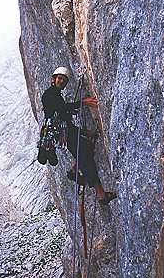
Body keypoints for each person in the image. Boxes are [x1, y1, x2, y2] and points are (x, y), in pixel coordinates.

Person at [38, 66, 117, 205]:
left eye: (64, 80)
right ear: (54, 79)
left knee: (84, 147)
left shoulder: (54, 94)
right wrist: (83, 103)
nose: (61, 81)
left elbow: (61, 113)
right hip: (66, 132)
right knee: (85, 157)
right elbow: (61, 109)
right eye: (59, 78)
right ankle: (101, 195)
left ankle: (74, 170)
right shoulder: (50, 94)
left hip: (65, 131)